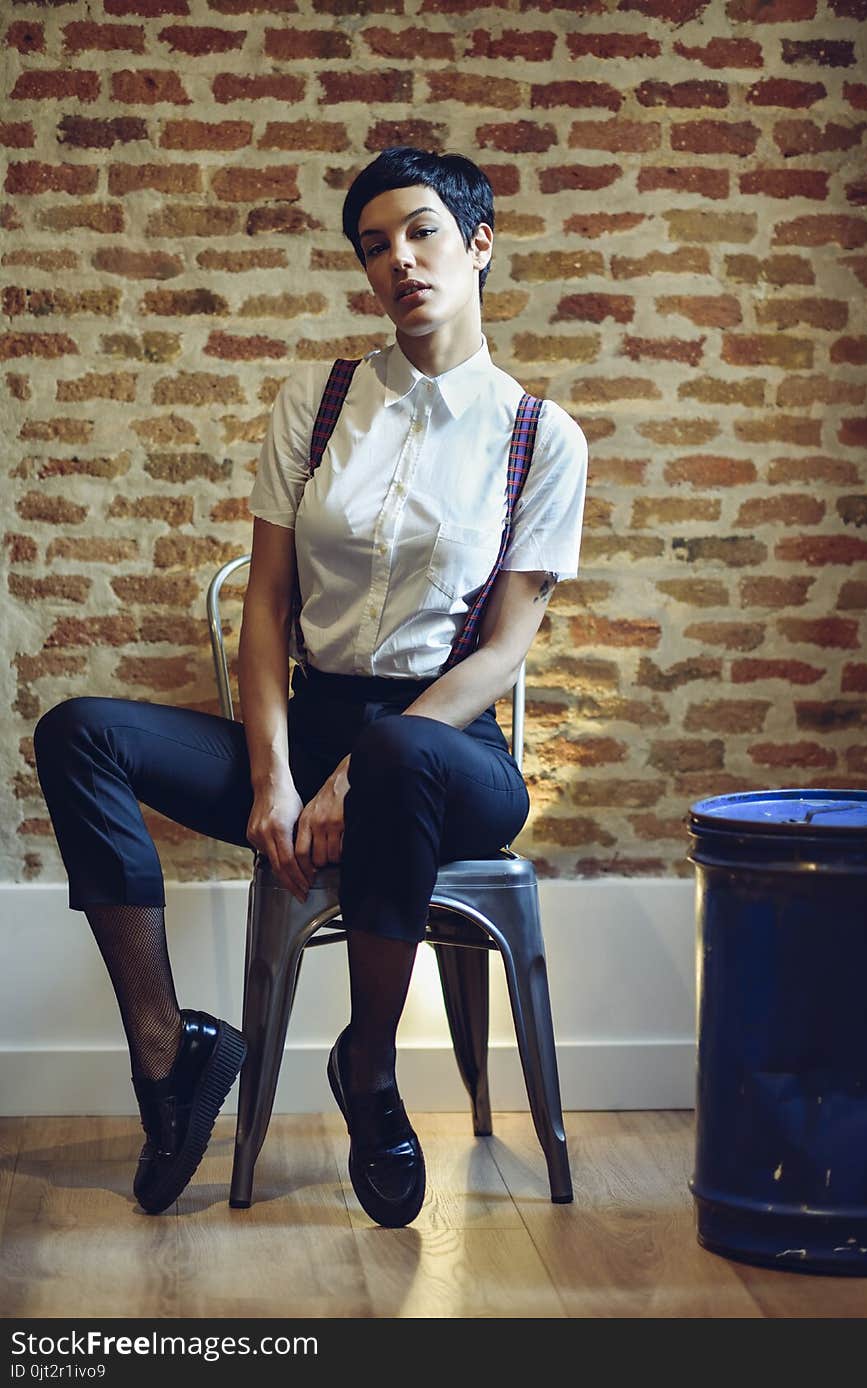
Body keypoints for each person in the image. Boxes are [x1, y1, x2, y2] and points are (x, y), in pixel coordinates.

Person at [33, 146, 588, 1228]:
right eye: (376, 245)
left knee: (394, 753)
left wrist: (347, 775)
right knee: (78, 732)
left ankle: (369, 1071)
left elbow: (500, 650)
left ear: (478, 243)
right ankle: (170, 1055)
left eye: (424, 232)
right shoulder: (319, 399)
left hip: (450, 749)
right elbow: (268, 608)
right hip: (312, 717)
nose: (401, 261)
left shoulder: (540, 437)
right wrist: (276, 774)